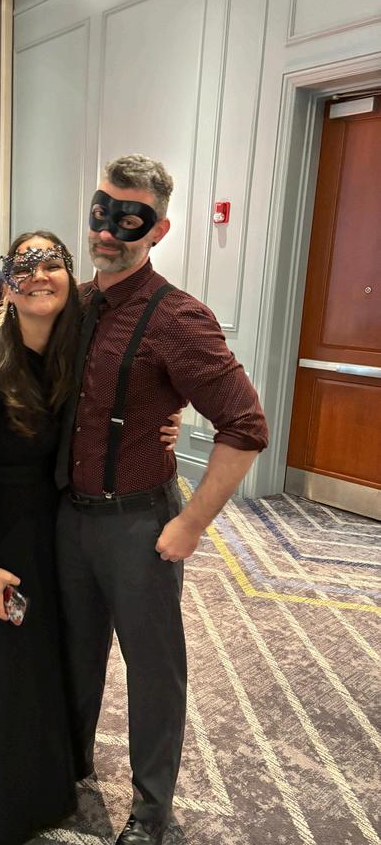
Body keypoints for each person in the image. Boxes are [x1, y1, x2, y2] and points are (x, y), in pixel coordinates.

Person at [0, 230, 182, 845]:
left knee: (49, 659)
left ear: (72, 279)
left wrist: (165, 420)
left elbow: (125, 399)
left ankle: (51, 772)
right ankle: (6, 794)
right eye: (25, 265)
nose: (39, 274)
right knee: (5, 661)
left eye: (52, 263)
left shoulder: (72, 359)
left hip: (56, 534)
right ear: (7, 285)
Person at [54, 154, 269, 845]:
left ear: (159, 228)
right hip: (68, 516)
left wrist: (192, 523)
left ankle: (151, 810)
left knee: (152, 672)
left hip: (139, 526)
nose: (107, 230)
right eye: (101, 211)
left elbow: (246, 425)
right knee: (73, 653)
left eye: (128, 219)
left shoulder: (179, 317)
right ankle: (70, 766)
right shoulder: (74, 305)